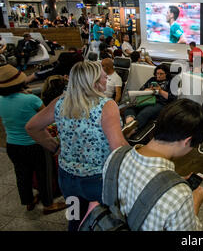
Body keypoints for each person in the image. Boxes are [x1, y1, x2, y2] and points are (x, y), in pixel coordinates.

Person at [26, 61, 128, 231]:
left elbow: (32, 127)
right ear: (94, 82)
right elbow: (118, 146)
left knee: (74, 218)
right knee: (102, 220)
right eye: (104, 78)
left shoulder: (61, 101)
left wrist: (55, 148)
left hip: (67, 177)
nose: (106, 81)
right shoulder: (107, 106)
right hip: (98, 179)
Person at [103, 99, 203, 230]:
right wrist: (195, 202)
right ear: (188, 141)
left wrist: (169, 182)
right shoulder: (179, 195)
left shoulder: (115, 156)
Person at [0, 65, 66, 215]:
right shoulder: (31, 100)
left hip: (12, 144)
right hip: (36, 144)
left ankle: (28, 201)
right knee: (44, 174)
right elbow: (47, 117)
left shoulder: (1, 100)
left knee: (22, 174)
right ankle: (48, 204)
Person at [123, 64, 176, 137]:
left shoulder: (171, 82)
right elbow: (141, 90)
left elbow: (172, 97)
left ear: (166, 74)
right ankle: (129, 126)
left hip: (160, 103)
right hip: (147, 100)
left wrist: (160, 91)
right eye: (157, 73)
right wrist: (146, 90)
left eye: (161, 74)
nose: (159, 76)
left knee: (144, 113)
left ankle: (131, 131)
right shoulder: (152, 79)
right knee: (130, 109)